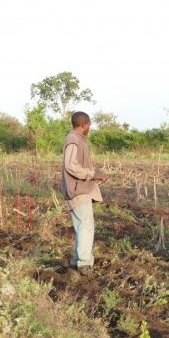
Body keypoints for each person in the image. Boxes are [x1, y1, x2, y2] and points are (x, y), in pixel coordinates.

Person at [61, 111, 107, 275]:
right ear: (83, 124)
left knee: (81, 226)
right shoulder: (73, 139)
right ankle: (84, 263)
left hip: (78, 188)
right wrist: (91, 174)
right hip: (78, 189)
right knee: (86, 226)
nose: (89, 128)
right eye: (89, 125)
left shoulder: (77, 139)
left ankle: (76, 261)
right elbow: (71, 165)